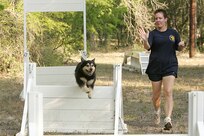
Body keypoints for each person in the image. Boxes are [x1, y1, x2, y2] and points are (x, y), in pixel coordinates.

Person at [138, 9, 185, 130]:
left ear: (165, 19)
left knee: (168, 91)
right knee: (156, 95)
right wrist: (144, 39)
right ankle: (157, 111)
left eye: (160, 18)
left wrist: (182, 46)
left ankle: (168, 119)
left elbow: (179, 47)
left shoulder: (173, 33)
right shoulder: (153, 34)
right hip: (155, 67)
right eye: (156, 18)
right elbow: (148, 47)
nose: (157, 20)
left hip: (170, 66)